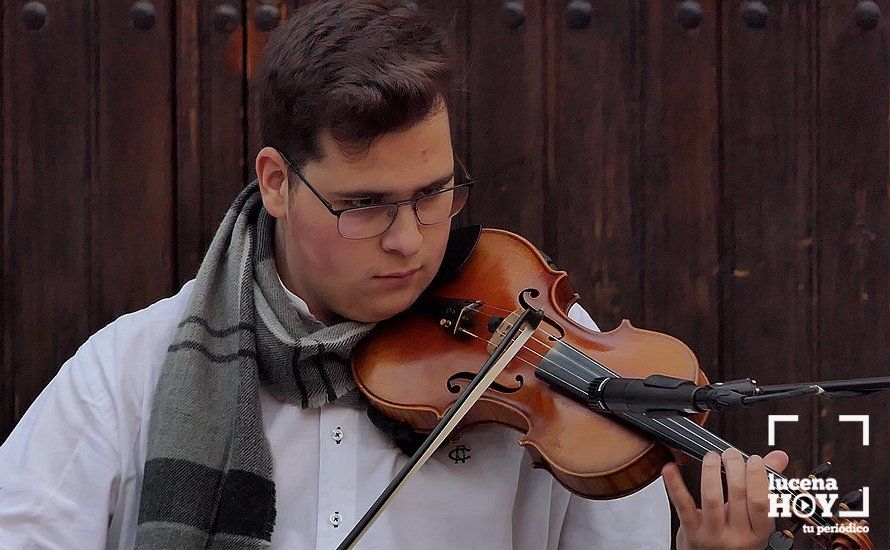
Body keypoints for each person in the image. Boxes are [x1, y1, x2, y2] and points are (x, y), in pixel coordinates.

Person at [0, 1, 787, 548]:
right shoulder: (128, 372)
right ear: (277, 181)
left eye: (434, 192)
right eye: (366, 205)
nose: (410, 241)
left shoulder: (557, 362)